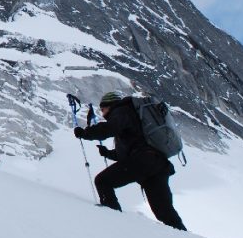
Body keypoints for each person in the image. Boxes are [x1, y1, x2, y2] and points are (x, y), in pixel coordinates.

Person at [74, 91, 187, 230]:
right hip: (158, 164)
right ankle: (184, 237)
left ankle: (112, 220)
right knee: (164, 211)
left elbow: (109, 128)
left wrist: (85, 133)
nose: (102, 114)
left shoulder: (121, 111)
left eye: (103, 109)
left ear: (110, 105)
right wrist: (108, 153)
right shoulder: (133, 114)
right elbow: (130, 150)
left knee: (103, 181)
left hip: (144, 161)